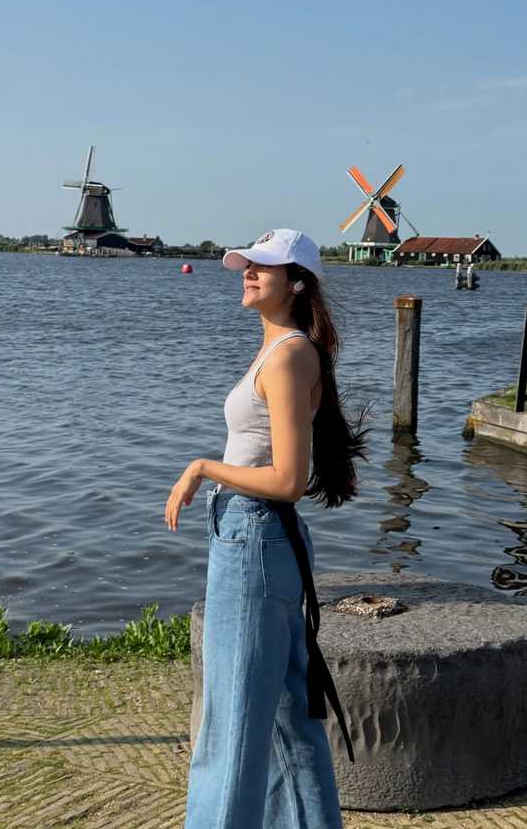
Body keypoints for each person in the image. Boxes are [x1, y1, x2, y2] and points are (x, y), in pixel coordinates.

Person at [164, 228, 367, 829]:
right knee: (285, 716)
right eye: (247, 265)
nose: (248, 273)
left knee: (231, 727)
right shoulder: (283, 350)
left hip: (254, 537)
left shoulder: (288, 356)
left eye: (263, 267)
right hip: (260, 539)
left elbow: (287, 479)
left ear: (297, 283)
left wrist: (201, 468)